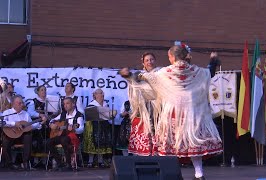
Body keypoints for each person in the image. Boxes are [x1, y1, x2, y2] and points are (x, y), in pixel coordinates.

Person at [120, 44, 222, 180]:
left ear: (173, 57)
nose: (168, 59)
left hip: (174, 113)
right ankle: (199, 174)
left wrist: (128, 75)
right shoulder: (195, 71)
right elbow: (210, 72)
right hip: (193, 114)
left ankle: (169, 174)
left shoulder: (165, 72)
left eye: (169, 56)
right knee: (193, 143)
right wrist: (213, 60)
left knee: (170, 145)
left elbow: (145, 77)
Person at [122, 52, 160, 156]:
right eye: (147, 60)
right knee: (144, 134)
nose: (149, 62)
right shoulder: (139, 75)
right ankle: (143, 157)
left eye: (151, 59)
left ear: (155, 61)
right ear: (143, 62)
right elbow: (132, 83)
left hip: (157, 108)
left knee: (156, 134)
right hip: (142, 109)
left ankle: (157, 157)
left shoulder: (159, 74)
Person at [2, 95, 43, 170]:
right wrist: (14, 124)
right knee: (5, 141)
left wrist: (40, 124)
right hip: (11, 135)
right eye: (19, 103)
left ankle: (25, 162)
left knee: (28, 136)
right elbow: (2, 122)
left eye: (22, 103)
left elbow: (30, 126)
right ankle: (9, 164)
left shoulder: (26, 114)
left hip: (21, 136)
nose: (22, 105)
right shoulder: (7, 112)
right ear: (13, 104)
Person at [47, 97, 84, 171]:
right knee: (49, 142)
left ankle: (68, 164)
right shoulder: (63, 114)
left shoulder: (79, 115)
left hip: (74, 136)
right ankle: (59, 163)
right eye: (64, 104)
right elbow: (52, 120)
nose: (65, 105)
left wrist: (74, 129)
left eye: (67, 103)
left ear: (73, 104)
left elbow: (81, 129)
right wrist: (51, 124)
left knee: (64, 140)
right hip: (62, 136)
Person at [83, 88, 112, 168]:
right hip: (94, 126)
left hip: (104, 126)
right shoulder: (91, 105)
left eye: (102, 93)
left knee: (102, 143)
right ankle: (90, 161)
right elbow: (88, 117)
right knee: (93, 142)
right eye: (100, 93)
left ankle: (100, 160)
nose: (102, 94)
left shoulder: (106, 104)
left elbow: (108, 116)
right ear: (95, 95)